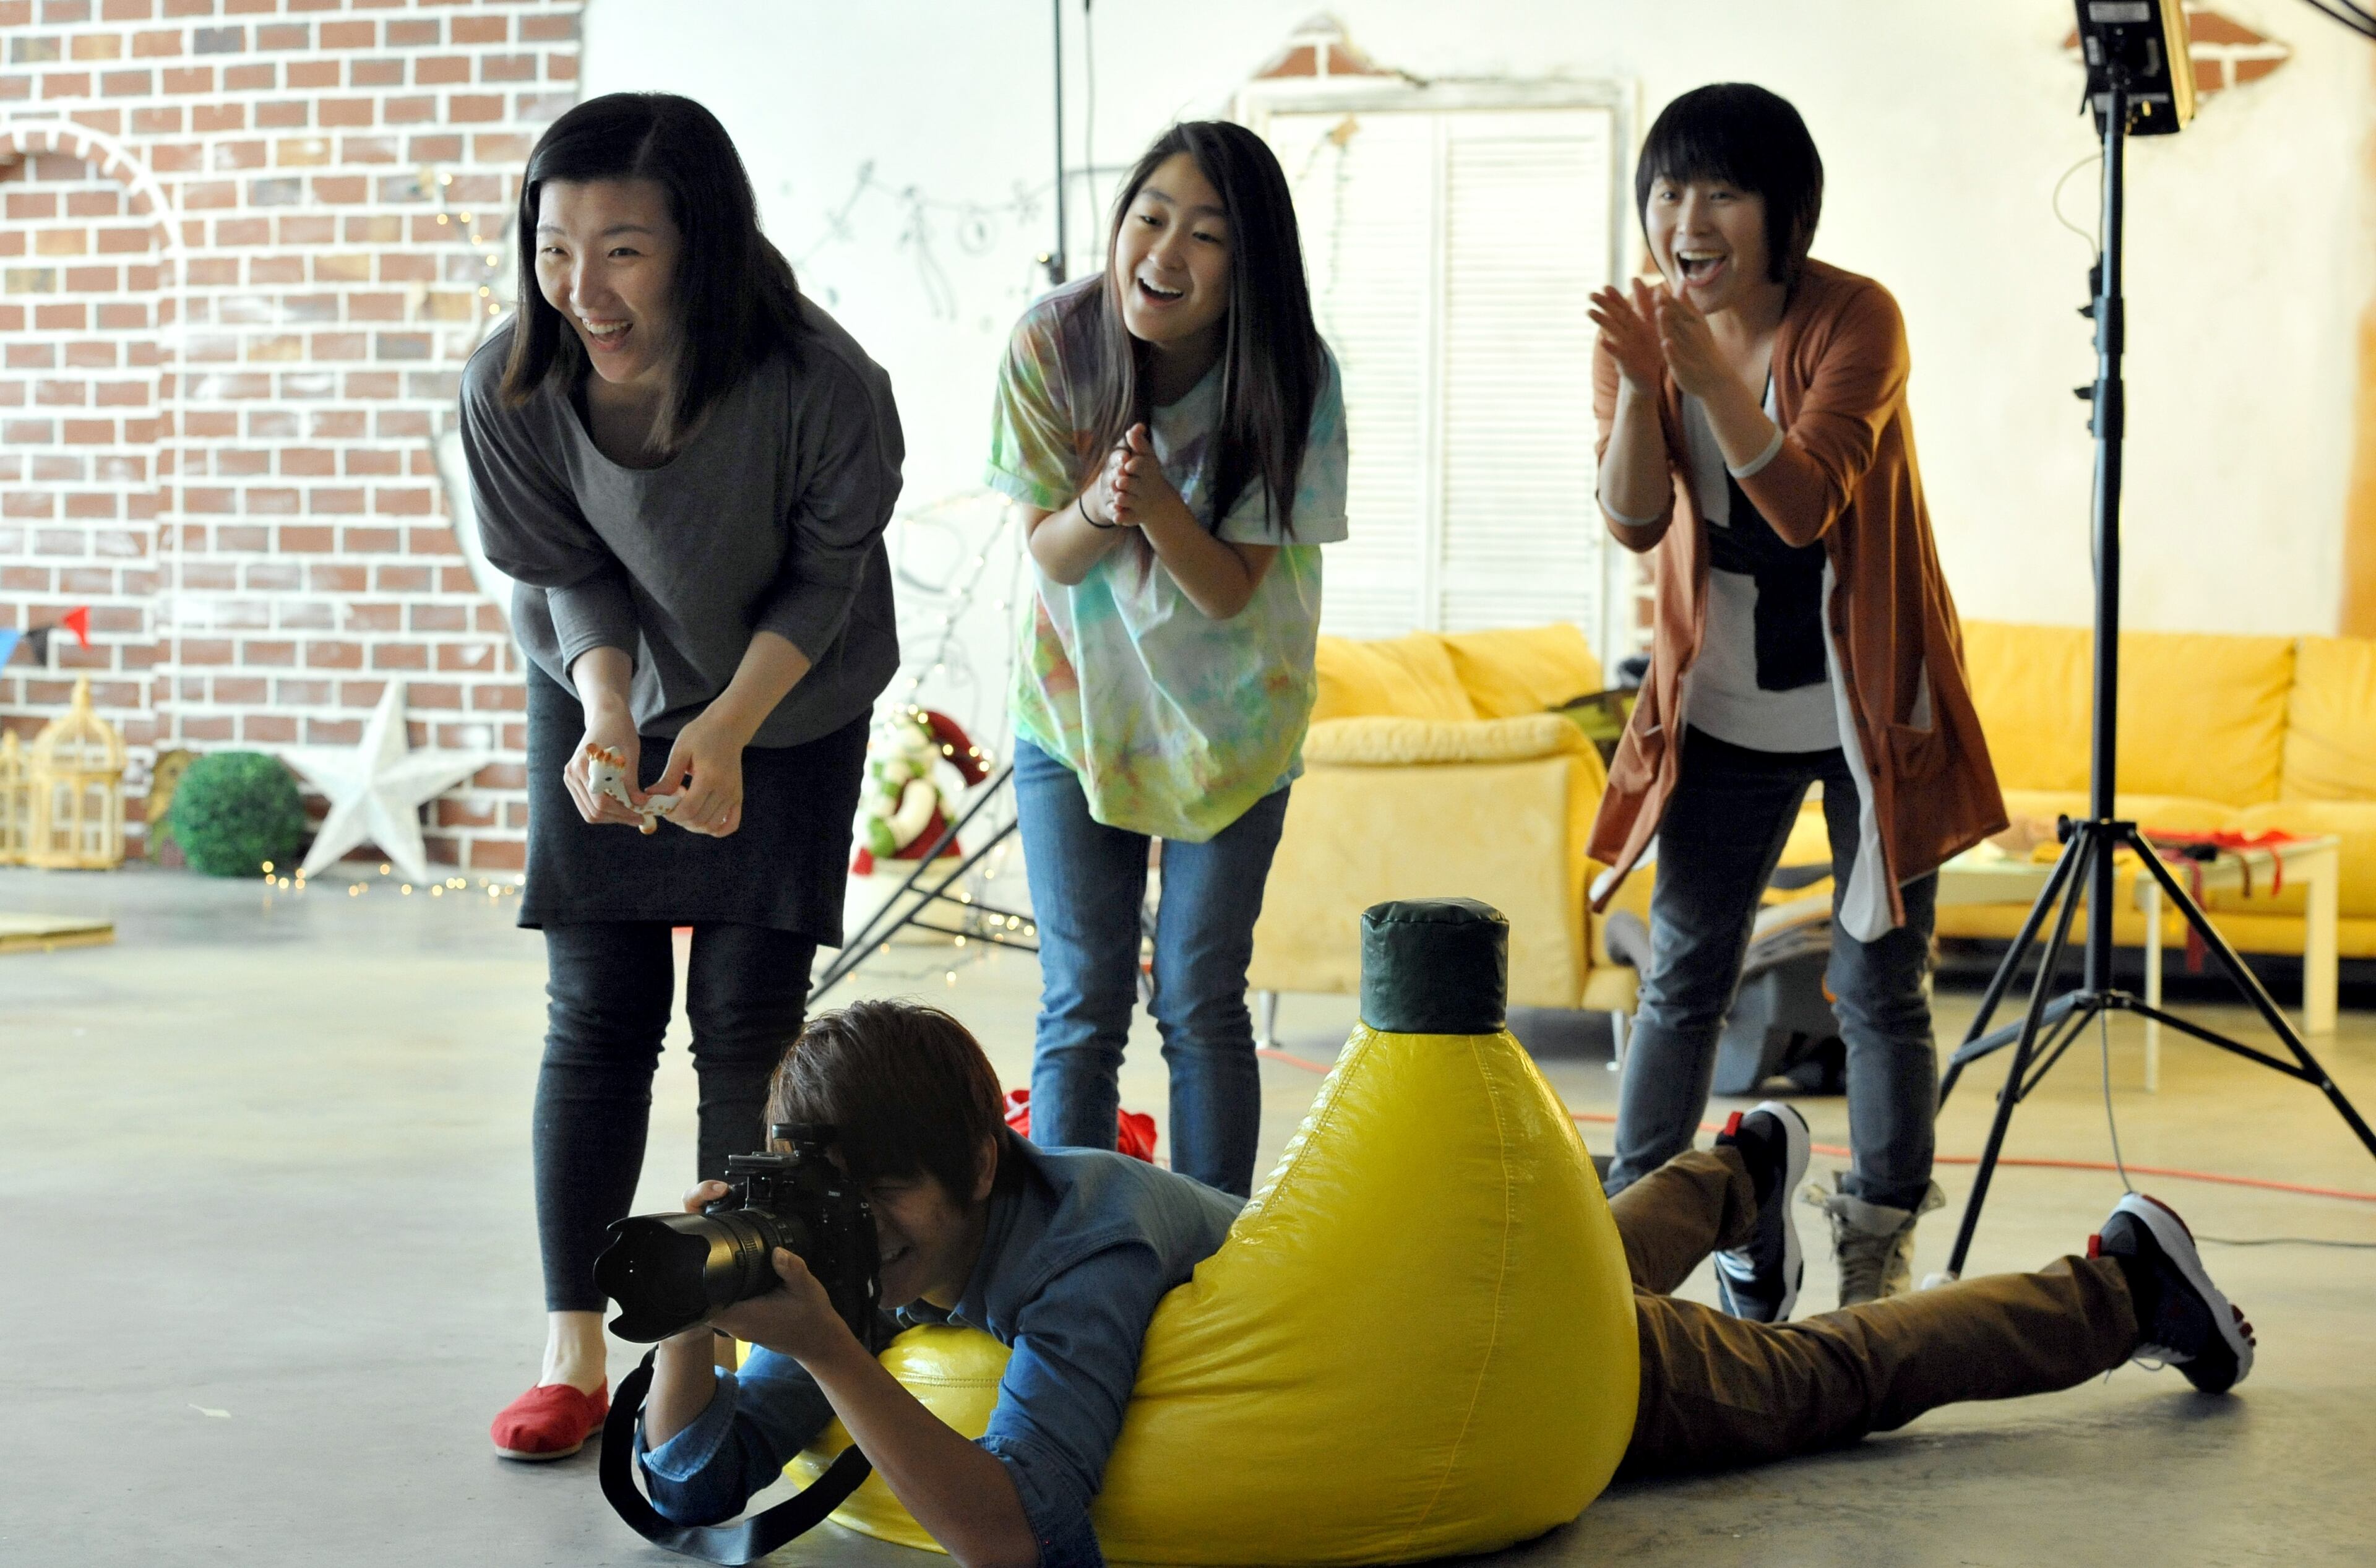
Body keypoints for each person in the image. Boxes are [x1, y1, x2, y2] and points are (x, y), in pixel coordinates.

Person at [629, 1004, 2253, 1568]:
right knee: (1568, 1261)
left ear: (978, 1165)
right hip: (1429, 1308)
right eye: (833, 1203)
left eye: (881, 1198)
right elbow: (691, 1483)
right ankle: (1742, 1163)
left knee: (1813, 1372)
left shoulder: (1078, 1246)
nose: (864, 1232)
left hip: (1466, 1378)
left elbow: (1019, 1534)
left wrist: (835, 1347)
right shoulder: (891, 1246)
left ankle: (2114, 1279)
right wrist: (707, 1327)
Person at [462, 92, 904, 1460]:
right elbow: (562, 568)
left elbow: (826, 575)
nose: (581, 289)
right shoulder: (511, 385)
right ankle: (573, 1343)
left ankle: (709, 1339)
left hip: (792, 694)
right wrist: (613, 708)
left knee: (746, 1009)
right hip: (601, 686)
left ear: (701, 245)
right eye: (554, 248)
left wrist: (722, 731)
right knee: (597, 1008)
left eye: (625, 252)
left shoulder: (824, 385)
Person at [1585, 83, 2006, 1307]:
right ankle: (1641, 1242)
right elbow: (1630, 520)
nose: (1686, 217)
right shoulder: (1650, 328)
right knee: (1681, 974)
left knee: (1879, 983)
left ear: (1783, 213)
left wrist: (1708, 379)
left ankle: (1876, 1241)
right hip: (1717, 714)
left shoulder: (1857, 319)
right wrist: (1634, 386)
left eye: (1721, 190)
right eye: (1668, 191)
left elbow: (1806, 500)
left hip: (1869, 712)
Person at [987, 121, 1348, 1199]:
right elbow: (1051, 551)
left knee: (1197, 993)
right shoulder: (1054, 344)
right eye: (1149, 218)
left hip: (1234, 718)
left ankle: (1216, 1253)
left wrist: (1152, 507)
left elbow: (1232, 586)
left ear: (1253, 265)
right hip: (1077, 707)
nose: (1165, 252)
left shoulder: (1291, 375)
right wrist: (1103, 505)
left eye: (1207, 235)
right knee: (1080, 1000)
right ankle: (1067, 1254)